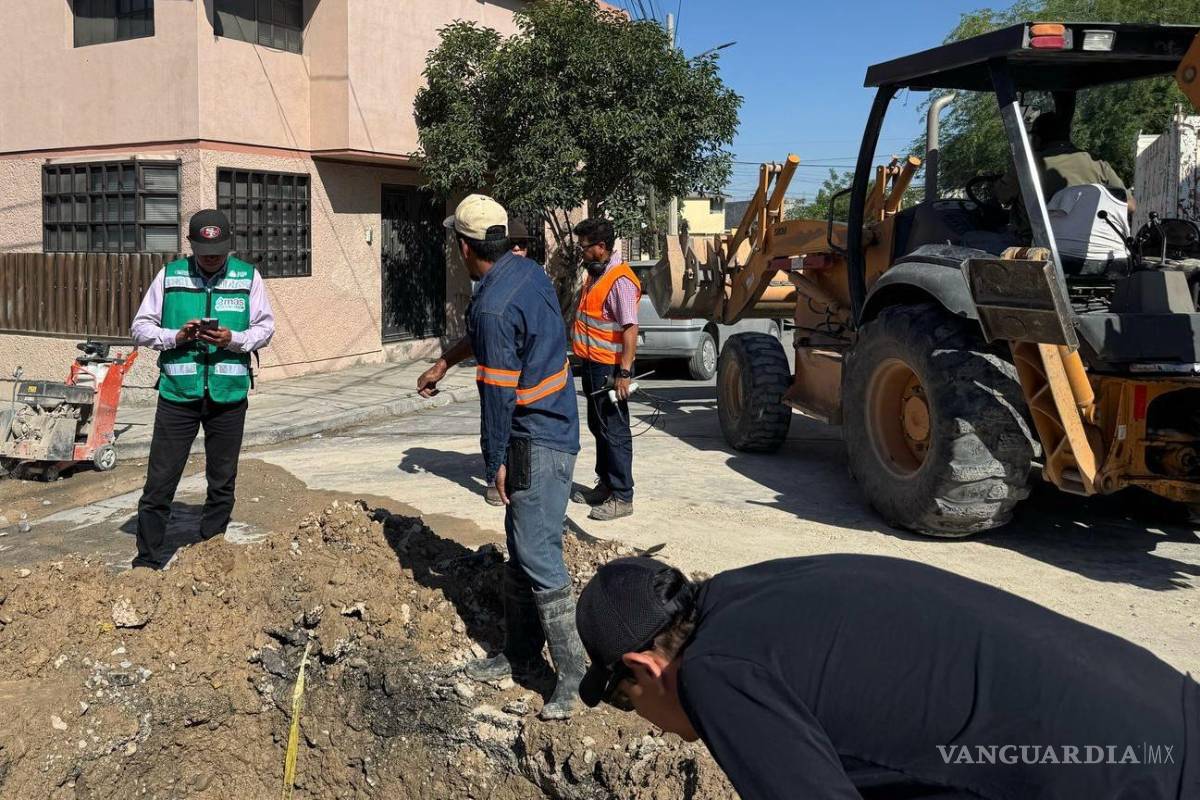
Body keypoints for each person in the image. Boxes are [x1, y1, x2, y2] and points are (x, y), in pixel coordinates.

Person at [575, 555, 1199, 800]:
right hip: (1164, 708)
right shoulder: (749, 595)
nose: (648, 721)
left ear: (641, 667)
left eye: (625, 702)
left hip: (1128, 778)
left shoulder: (716, 675)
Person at [435, 194, 586, 720]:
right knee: (521, 548)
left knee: (538, 553)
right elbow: (484, 337)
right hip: (548, 423)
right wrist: (443, 363)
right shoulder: (525, 272)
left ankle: (573, 672)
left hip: (537, 436)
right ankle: (520, 653)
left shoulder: (494, 302)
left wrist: (493, 459)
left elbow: (497, 390)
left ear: (463, 246)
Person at [130, 209, 275, 569]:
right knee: (160, 482)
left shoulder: (247, 276)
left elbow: (265, 328)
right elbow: (140, 327)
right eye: (205, 250)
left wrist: (233, 339)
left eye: (219, 250)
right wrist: (175, 336)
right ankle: (147, 560)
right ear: (192, 245)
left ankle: (212, 553)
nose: (212, 258)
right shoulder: (170, 275)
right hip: (178, 394)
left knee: (222, 480)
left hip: (228, 394)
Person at [569, 218, 640, 521]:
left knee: (615, 430)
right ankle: (607, 484)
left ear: (601, 247)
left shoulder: (620, 281)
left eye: (585, 247)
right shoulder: (596, 275)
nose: (581, 252)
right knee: (599, 427)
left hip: (609, 368)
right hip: (591, 363)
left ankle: (623, 496)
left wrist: (623, 373)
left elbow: (630, 329)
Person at [994, 111, 1134, 244]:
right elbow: (1131, 205)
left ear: (1036, 139)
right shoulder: (1097, 164)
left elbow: (1001, 196)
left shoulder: (1026, 165)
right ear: (1067, 136)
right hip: (1094, 246)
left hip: (1037, 245)